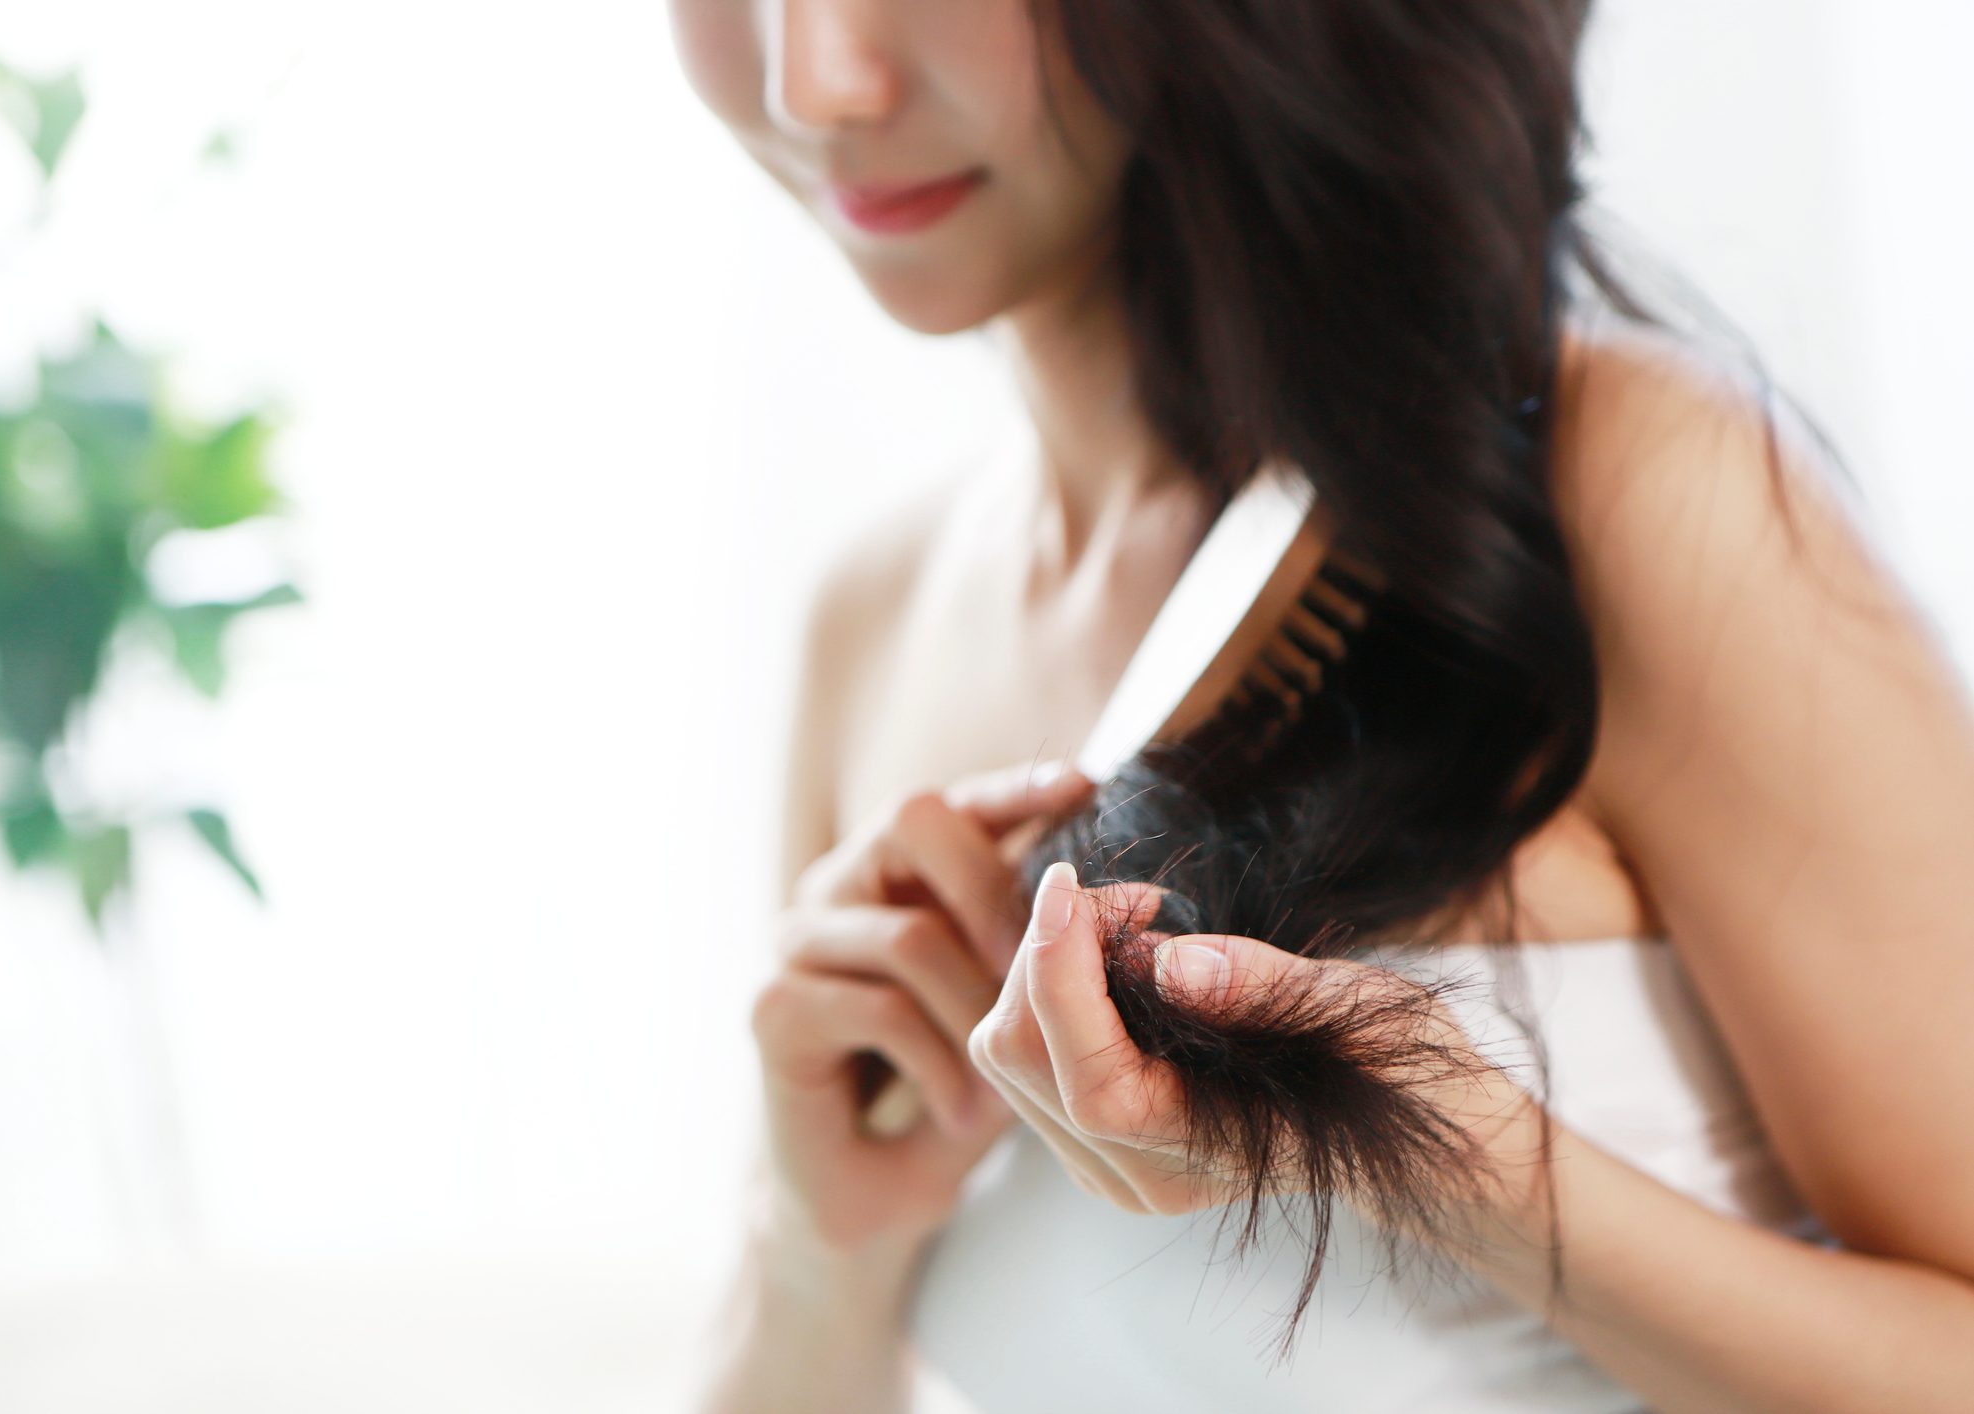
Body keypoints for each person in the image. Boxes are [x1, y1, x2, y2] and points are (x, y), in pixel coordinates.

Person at [673, 0, 1974, 1408]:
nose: (817, 83)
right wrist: (815, 1242)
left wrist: (1453, 1161)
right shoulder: (871, 621)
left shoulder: (1629, 492)